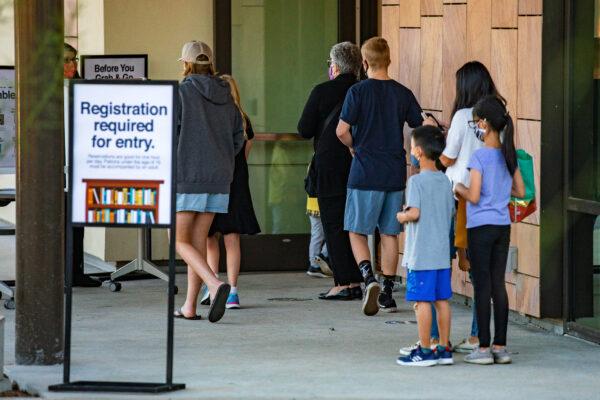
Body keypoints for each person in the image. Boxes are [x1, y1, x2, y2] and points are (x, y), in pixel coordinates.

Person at [336, 37, 434, 312]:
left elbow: (341, 131)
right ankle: (388, 292)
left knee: (356, 230)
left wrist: (354, 146)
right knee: (389, 233)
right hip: (393, 172)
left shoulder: (357, 92)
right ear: (388, 60)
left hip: (365, 171)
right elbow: (421, 125)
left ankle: (368, 278)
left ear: (364, 63)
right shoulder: (402, 93)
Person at [174, 41, 244, 322]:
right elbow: (238, 138)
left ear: (186, 64)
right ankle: (190, 306)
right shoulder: (227, 95)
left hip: (187, 176)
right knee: (198, 242)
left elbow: (169, 133)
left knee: (178, 242)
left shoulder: (180, 94)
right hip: (218, 179)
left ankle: (215, 285)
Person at [454, 95, 525, 364]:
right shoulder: (509, 156)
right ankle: (500, 347)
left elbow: (472, 196)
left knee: (482, 287)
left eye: (476, 123)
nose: (476, 127)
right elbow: (520, 190)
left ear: (483, 123)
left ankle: (482, 348)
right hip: (501, 227)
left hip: (479, 227)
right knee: (498, 285)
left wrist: (458, 188)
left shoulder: (480, 156)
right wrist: (499, 193)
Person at [298, 41, 364, 301]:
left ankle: (343, 283)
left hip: (329, 166)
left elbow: (304, 129)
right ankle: (359, 278)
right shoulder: (363, 90)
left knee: (334, 224)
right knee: (355, 225)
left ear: (335, 66)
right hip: (359, 163)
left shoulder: (322, 91)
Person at [396, 126, 455, 367]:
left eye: (411, 149)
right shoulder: (445, 180)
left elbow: (415, 212)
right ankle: (443, 348)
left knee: (421, 302)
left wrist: (402, 216)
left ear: (418, 152)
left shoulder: (416, 182)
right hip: (441, 253)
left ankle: (424, 350)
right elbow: (450, 212)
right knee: (442, 300)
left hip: (421, 254)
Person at [204, 75, 261, 310]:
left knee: (209, 238)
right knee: (232, 238)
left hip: (215, 182)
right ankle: (233, 291)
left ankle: (212, 286)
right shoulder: (243, 119)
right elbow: (244, 153)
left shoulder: (213, 118)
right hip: (236, 183)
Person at [64, 42, 101, 287]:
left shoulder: (82, 88)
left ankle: (76, 270)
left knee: (78, 221)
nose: (73, 65)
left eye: (74, 60)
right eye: (67, 60)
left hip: (80, 163)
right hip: (52, 165)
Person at [305, 196, 332, 278]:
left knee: (316, 235)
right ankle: (323, 256)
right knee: (334, 232)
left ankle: (314, 265)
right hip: (322, 203)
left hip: (312, 204)